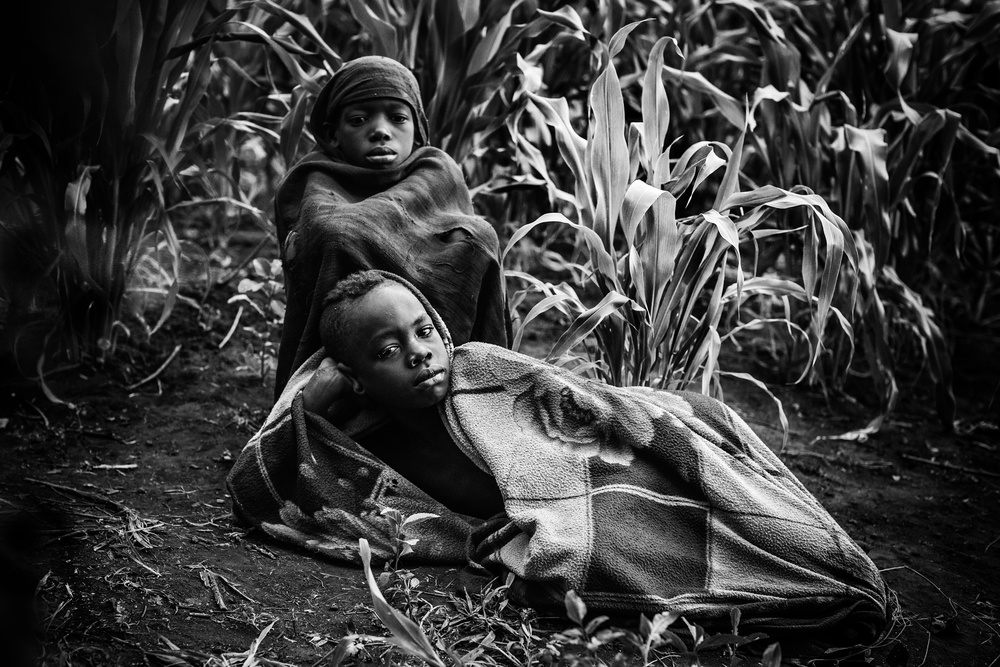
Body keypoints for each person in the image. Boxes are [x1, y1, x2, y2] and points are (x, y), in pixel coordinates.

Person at [228, 270, 892, 648]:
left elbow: (591, 413)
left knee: (709, 477)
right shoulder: (368, 450)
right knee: (613, 551)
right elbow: (257, 485)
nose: (419, 352)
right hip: (566, 513)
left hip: (609, 461)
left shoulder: (479, 370)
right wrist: (307, 402)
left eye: (423, 330)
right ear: (354, 377)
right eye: (387, 350)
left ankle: (817, 559)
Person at [271, 55, 509, 398]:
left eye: (398, 118)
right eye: (359, 120)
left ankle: (475, 387)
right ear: (333, 134)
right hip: (354, 371)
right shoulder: (312, 182)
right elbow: (332, 241)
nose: (381, 130)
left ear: (417, 129)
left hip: (438, 357)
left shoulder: (437, 171)